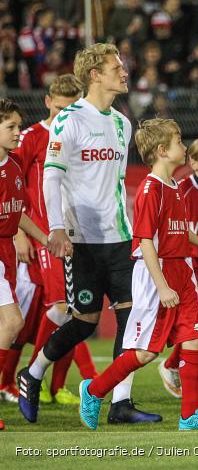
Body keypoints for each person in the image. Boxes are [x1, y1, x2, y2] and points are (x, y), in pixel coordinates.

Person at [19, 43, 161, 425]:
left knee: (132, 320)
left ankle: (120, 404)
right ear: (95, 74)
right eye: (117, 67)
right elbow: (52, 175)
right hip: (80, 240)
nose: (125, 72)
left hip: (119, 238)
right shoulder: (70, 120)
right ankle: (32, 374)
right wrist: (57, 228)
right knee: (83, 322)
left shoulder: (122, 123)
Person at [78, 119, 198, 431]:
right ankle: (93, 391)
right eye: (178, 142)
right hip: (156, 275)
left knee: (195, 336)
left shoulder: (174, 185)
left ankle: (190, 416)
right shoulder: (149, 189)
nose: (184, 147)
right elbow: (145, 241)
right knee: (145, 352)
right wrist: (162, 286)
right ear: (161, 151)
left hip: (182, 269)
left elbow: (177, 230)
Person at [3, 75, 93, 405]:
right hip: (40, 237)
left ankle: (49, 384)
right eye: (59, 108)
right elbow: (13, 187)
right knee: (59, 308)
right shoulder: (30, 138)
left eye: (72, 108)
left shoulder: (81, 137)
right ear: (47, 102)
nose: (65, 115)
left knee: (64, 311)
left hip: (69, 235)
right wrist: (20, 234)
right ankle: (31, 378)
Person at [0, 99, 51, 431]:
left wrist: (47, 240)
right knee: (12, 321)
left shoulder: (16, 166)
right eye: (11, 127)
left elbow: (17, 213)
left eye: (19, 126)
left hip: (4, 253)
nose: (19, 132)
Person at [157, 138, 198, 401]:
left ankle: (174, 366)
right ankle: (186, 374)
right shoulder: (182, 189)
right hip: (192, 263)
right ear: (193, 163)